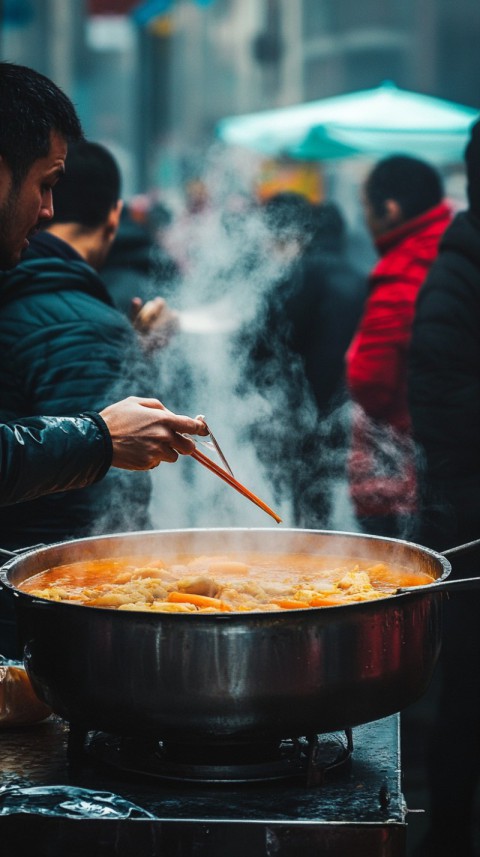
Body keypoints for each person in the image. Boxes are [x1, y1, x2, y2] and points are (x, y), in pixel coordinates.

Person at [0, 139, 190, 550]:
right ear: (114, 216)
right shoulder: (87, 323)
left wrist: (131, 350)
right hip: (40, 592)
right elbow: (99, 507)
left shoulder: (19, 287)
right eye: (43, 183)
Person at [407, 118, 480, 857]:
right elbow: (442, 408)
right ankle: (449, 834)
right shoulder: (457, 274)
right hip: (469, 526)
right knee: (466, 699)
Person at [240, 192, 366, 527]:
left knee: (308, 508)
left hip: (304, 414)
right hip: (348, 412)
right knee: (337, 504)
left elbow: (265, 345)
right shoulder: (359, 276)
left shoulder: (299, 276)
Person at [345, 155, 452, 538]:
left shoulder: (405, 266)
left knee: (404, 575)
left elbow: (370, 380)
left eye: (367, 210)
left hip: (409, 467)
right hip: (450, 454)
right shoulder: (453, 247)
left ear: (390, 210)